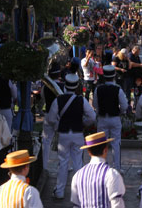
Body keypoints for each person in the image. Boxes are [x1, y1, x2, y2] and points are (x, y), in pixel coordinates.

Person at [47, 72, 96, 200]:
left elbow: (51, 118)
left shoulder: (59, 100)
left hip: (63, 134)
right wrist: (83, 123)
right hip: (78, 133)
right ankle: (79, 191)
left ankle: (60, 191)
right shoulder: (81, 100)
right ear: (75, 87)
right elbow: (92, 116)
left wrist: (58, 125)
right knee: (78, 162)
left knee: (63, 163)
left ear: (65, 86)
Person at [71, 132, 126, 208]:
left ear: (89, 152)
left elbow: (76, 205)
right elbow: (117, 205)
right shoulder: (111, 174)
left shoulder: (77, 175)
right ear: (105, 150)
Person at [93, 64, 128, 171]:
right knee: (116, 143)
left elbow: (95, 104)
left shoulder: (98, 89)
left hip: (103, 118)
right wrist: (120, 112)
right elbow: (124, 106)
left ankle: (101, 167)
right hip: (114, 118)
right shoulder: (118, 89)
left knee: (101, 144)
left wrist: (100, 112)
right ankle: (117, 167)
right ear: (114, 76)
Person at [41, 63, 66, 171]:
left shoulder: (45, 87)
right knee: (62, 141)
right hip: (59, 117)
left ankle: (44, 165)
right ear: (59, 74)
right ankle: (63, 164)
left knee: (46, 141)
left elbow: (42, 98)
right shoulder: (62, 86)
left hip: (48, 114)